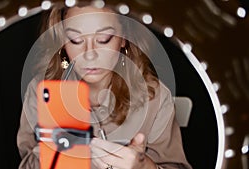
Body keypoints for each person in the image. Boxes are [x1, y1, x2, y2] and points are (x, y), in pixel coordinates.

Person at [17, 2, 192, 169]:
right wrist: (50, 149)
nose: (90, 54)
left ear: (124, 38)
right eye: (76, 40)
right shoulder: (41, 91)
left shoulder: (154, 96)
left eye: (103, 39)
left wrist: (145, 166)